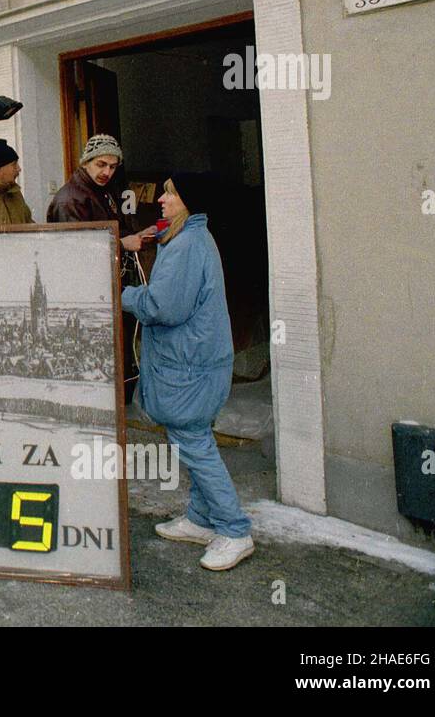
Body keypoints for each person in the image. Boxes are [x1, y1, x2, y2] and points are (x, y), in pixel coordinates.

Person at [121, 172, 253, 571]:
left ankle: (234, 529)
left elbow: (164, 307)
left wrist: (121, 294)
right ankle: (200, 519)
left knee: (194, 443)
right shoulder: (188, 238)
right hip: (199, 362)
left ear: (187, 201)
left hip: (189, 368)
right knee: (195, 440)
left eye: (170, 194)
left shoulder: (186, 245)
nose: (162, 200)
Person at [48, 134, 157, 400]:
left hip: (104, 288)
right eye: (101, 165)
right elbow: (74, 251)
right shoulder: (70, 200)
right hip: (86, 295)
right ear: (86, 162)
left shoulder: (101, 192)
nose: (107, 172)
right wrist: (121, 243)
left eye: (112, 166)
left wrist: (137, 236)